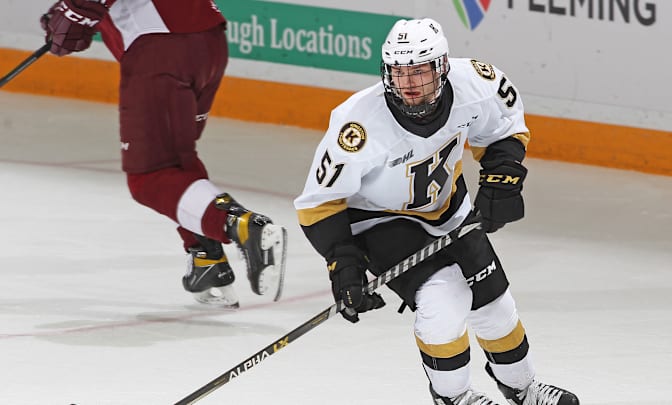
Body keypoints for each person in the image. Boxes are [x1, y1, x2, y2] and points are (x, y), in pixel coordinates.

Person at [294, 18, 579, 405]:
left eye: (419, 72)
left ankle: (524, 389)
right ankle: (455, 398)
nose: (408, 84)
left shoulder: (476, 84)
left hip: (448, 207)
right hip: (378, 219)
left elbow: (505, 127)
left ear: (441, 67)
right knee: (443, 299)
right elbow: (319, 203)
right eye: (398, 72)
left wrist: (503, 176)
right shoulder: (357, 123)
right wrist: (343, 261)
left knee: (494, 302)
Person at [40, 0, 287, 307]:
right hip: (206, 43)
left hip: (161, 49)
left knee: (150, 178)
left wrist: (74, 12)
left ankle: (240, 226)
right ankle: (204, 257)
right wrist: (71, 16)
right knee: (176, 165)